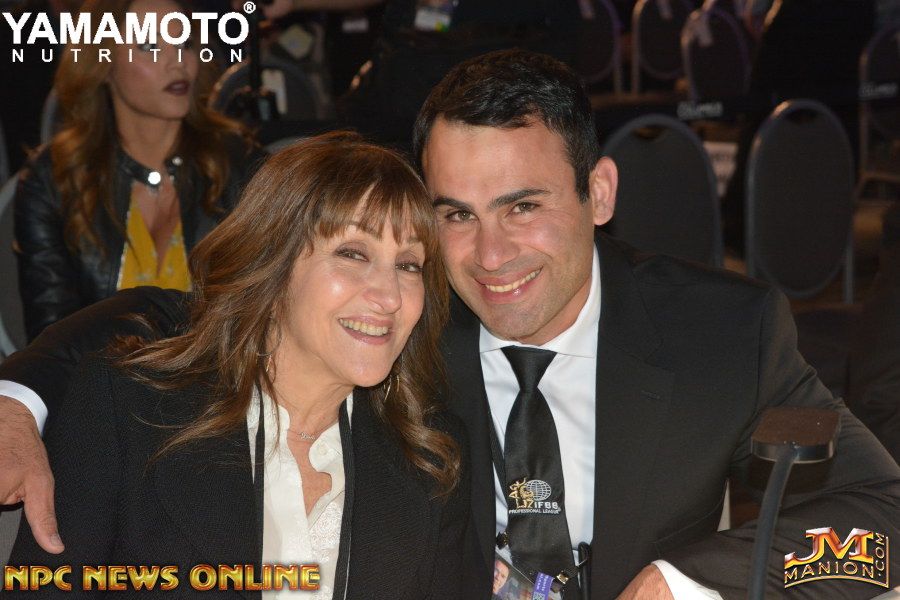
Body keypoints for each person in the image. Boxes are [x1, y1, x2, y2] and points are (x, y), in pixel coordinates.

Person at [1, 50, 899, 599]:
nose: (489, 255)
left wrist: (689, 582)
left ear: (599, 194)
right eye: (456, 215)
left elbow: (883, 520)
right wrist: (20, 396)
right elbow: (186, 312)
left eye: (523, 206)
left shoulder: (722, 333)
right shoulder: (402, 316)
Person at [6, 132, 471, 598]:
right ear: (272, 262)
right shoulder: (128, 414)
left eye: (408, 265)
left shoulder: (431, 461)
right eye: (353, 254)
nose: (390, 296)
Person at [14, 0, 264, 342]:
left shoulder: (241, 164)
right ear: (102, 63)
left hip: (221, 372)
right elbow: (51, 341)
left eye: (185, 43)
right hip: (96, 375)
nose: (177, 61)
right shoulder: (53, 179)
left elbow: (264, 314)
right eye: (150, 46)